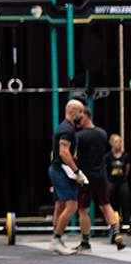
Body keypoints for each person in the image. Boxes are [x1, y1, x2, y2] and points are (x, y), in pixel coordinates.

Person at [74, 107, 124, 251]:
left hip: (86, 177)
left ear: (85, 116)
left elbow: (76, 156)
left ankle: (85, 242)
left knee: (83, 210)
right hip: (101, 176)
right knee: (106, 205)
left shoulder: (80, 136)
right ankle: (116, 233)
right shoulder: (102, 133)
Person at [47, 99, 88, 255]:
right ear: (72, 112)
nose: (83, 115)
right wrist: (76, 172)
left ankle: (56, 241)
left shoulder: (64, 127)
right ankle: (56, 240)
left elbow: (54, 153)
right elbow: (64, 153)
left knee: (60, 206)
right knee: (72, 206)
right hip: (61, 171)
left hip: (56, 169)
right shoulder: (68, 129)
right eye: (81, 112)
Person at [106, 133, 130, 233]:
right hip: (112, 182)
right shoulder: (108, 157)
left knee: (125, 202)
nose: (118, 144)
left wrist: (124, 176)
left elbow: (127, 167)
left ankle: (127, 223)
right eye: (116, 141)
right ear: (111, 143)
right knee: (111, 203)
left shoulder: (125, 156)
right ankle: (112, 224)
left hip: (122, 182)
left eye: (120, 141)